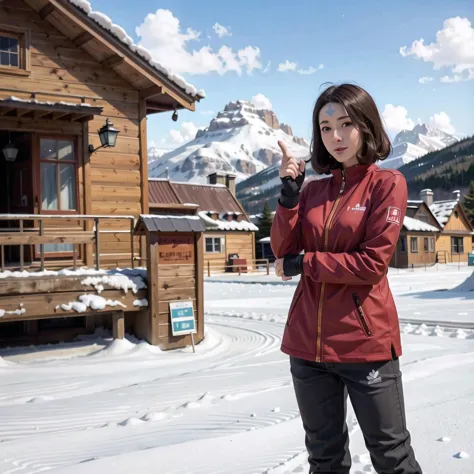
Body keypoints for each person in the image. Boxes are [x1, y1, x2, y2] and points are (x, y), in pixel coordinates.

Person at [270, 83, 422, 474]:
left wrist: (306, 263)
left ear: (366, 126)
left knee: (391, 456)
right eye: (324, 127)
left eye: (345, 123)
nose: (335, 136)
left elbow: (372, 263)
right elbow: (282, 250)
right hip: (307, 347)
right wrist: (288, 197)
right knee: (324, 459)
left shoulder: (388, 185)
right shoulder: (313, 191)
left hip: (365, 345)